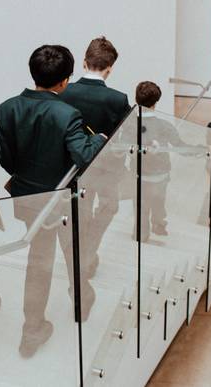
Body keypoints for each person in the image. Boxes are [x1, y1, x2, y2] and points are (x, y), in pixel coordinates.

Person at [0, 44, 106, 358]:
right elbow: (85, 155)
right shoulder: (67, 114)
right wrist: (97, 139)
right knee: (75, 249)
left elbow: (7, 161)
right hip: (62, 202)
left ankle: (31, 331)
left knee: (38, 261)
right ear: (64, 82)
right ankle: (81, 302)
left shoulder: (8, 108)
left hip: (29, 198)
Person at [59, 37, 131, 275]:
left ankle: (83, 255)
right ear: (110, 69)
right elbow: (125, 134)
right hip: (107, 167)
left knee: (82, 211)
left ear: (84, 62)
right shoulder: (117, 99)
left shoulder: (65, 91)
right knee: (110, 206)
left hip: (75, 166)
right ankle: (88, 251)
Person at [135, 82, 186, 241]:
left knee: (141, 204)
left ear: (136, 100)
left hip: (139, 173)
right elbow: (180, 146)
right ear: (156, 102)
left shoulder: (128, 124)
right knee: (159, 199)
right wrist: (201, 149)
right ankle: (159, 224)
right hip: (160, 173)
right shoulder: (165, 125)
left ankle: (141, 233)